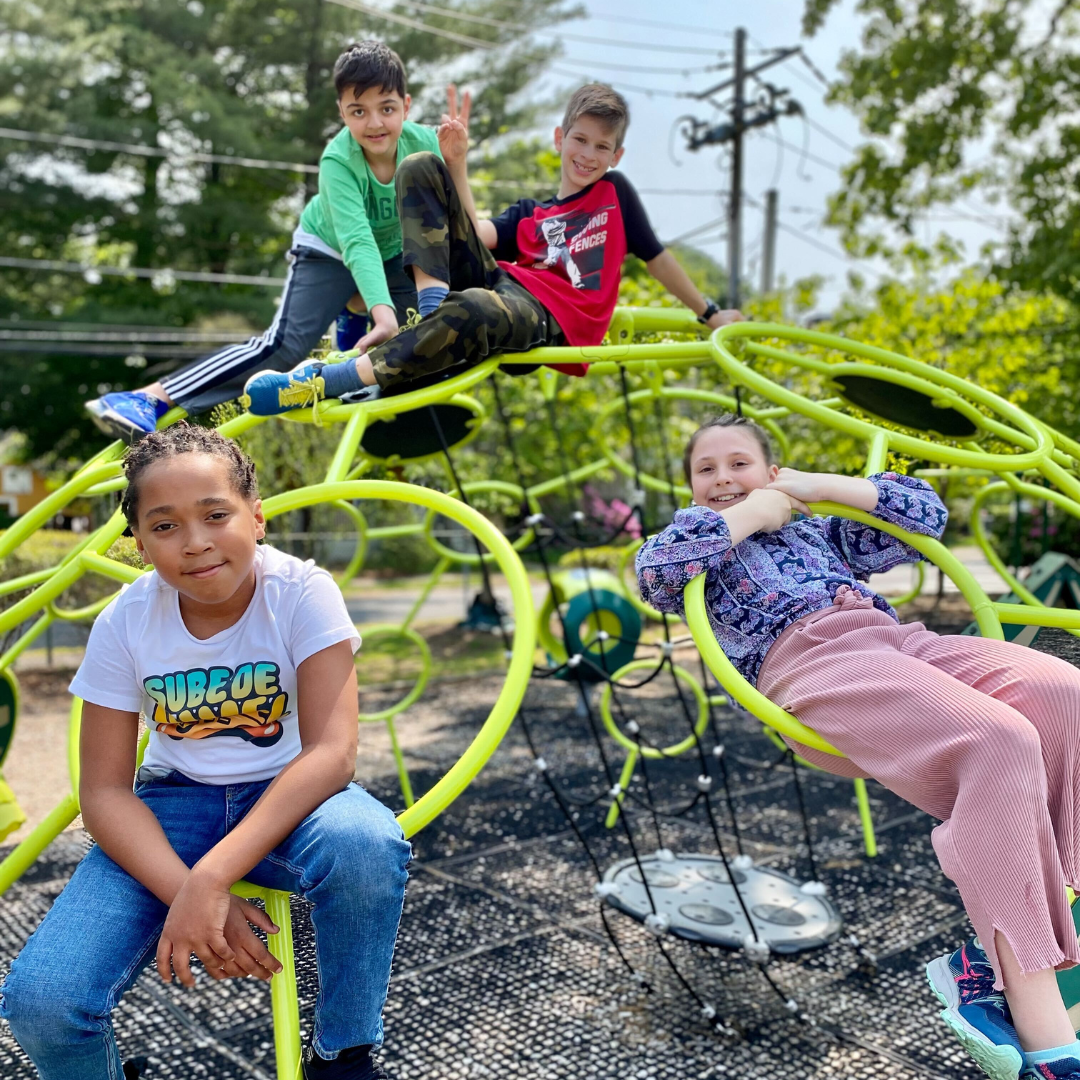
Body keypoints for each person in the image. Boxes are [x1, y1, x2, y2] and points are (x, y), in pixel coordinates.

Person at [635, 413, 1080, 1080]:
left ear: (772, 471)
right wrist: (751, 512)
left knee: (1062, 692)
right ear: (691, 486)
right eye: (707, 469)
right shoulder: (697, 540)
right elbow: (656, 575)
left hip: (896, 643)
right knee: (998, 742)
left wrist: (809, 487)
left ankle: (1048, 918)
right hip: (808, 665)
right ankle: (1041, 1029)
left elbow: (922, 513)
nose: (724, 477)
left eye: (740, 464)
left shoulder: (821, 532)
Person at [0, 424, 409, 1080]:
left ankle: (343, 1053)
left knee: (366, 844)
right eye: (164, 527)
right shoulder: (125, 622)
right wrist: (186, 890)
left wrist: (214, 876)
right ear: (138, 544)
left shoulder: (301, 592)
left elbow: (333, 754)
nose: (194, 543)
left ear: (257, 516)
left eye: (215, 515)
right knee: (43, 1003)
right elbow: (103, 792)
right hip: (173, 805)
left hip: (292, 797)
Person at [241, 83, 744, 415]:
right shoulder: (530, 213)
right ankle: (432, 308)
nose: (588, 155)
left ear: (617, 156)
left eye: (601, 147)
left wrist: (709, 312)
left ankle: (326, 380)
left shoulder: (615, 197)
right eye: (580, 140)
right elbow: (471, 232)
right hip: (498, 281)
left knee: (479, 307)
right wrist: (455, 162)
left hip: (546, 316)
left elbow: (656, 256)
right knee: (419, 164)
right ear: (559, 138)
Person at [84, 41, 444, 441]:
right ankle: (147, 398)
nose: (375, 123)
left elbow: (442, 222)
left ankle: (355, 308)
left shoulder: (425, 144)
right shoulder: (338, 162)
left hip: (393, 255)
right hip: (329, 251)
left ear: (406, 106)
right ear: (342, 113)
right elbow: (356, 239)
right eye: (359, 111)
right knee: (284, 348)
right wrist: (383, 313)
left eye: (387, 108)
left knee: (430, 326)